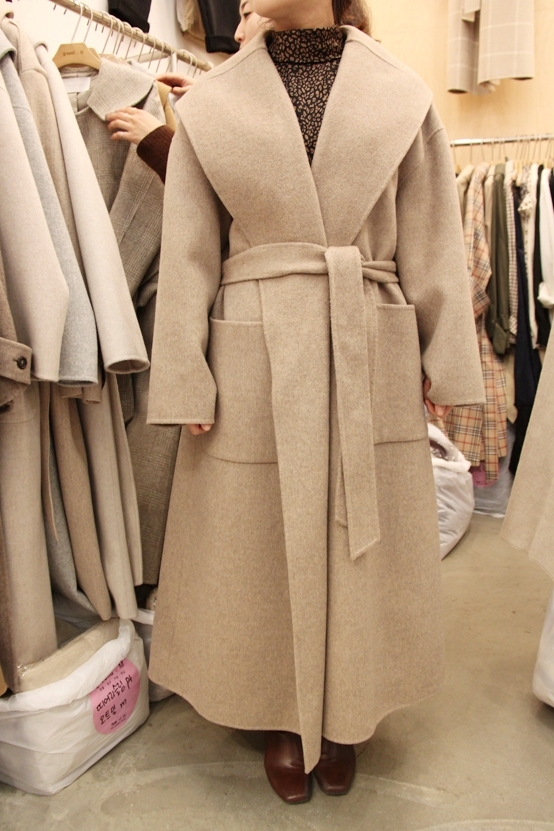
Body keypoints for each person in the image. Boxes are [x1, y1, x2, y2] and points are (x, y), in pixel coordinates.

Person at [147, 0, 486, 806]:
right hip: (255, 347)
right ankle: (280, 708)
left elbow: (432, 236)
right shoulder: (214, 101)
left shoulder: (400, 94)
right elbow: (188, 249)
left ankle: (344, 708)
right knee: (259, 535)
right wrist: (186, 370)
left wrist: (443, 360)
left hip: (364, 332)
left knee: (355, 537)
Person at [106, 0, 372, 182]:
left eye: (246, 14)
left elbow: (245, 193)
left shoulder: (350, 102)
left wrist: (157, 140)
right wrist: (217, 98)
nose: (236, 34)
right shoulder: (343, 88)